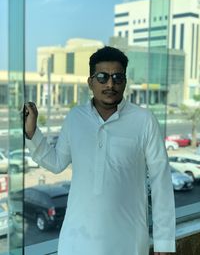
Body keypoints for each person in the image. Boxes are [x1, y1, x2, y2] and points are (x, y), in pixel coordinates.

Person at [25, 46, 176, 255]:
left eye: (117, 77)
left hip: (127, 241)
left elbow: (161, 181)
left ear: (125, 81)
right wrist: (32, 133)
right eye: (103, 77)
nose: (110, 84)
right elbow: (57, 162)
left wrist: (164, 241)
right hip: (76, 241)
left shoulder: (144, 121)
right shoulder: (75, 118)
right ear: (90, 82)